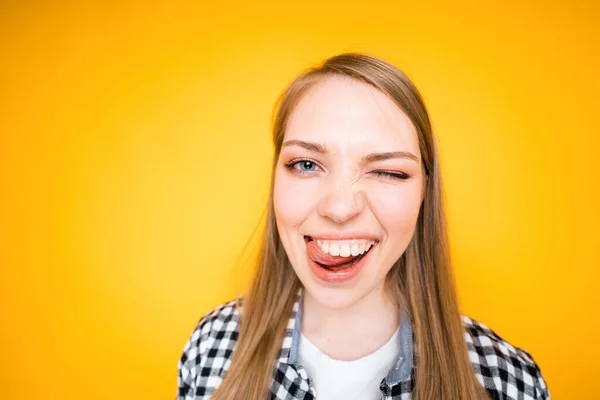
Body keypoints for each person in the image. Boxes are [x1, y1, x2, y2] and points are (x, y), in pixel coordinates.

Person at [177, 53, 550, 400]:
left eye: (387, 171)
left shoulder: (509, 381)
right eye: (306, 164)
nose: (339, 208)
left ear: (424, 193)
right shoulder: (211, 345)